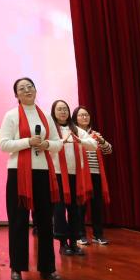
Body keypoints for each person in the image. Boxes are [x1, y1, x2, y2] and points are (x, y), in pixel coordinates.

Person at [0, 77, 63, 280]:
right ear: (16, 94)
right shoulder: (11, 115)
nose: (27, 90)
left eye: (30, 87)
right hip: (18, 172)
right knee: (18, 221)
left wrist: (46, 145)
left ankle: (48, 268)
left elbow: (58, 143)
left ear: (35, 90)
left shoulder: (46, 115)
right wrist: (28, 141)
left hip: (43, 172)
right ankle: (16, 268)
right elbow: (4, 144)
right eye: (22, 88)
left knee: (45, 221)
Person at [50, 99, 97, 257]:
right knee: (59, 210)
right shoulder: (51, 130)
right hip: (57, 175)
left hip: (75, 174)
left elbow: (93, 145)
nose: (63, 112)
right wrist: (60, 142)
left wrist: (80, 140)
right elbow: (46, 146)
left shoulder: (76, 129)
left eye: (65, 109)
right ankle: (63, 243)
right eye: (59, 109)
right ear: (53, 112)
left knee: (75, 210)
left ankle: (74, 242)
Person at [71, 105, 113, 246]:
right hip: (81, 175)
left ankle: (98, 234)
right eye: (81, 115)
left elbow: (108, 150)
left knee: (97, 205)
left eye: (86, 115)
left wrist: (101, 141)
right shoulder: (73, 134)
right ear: (75, 118)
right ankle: (80, 234)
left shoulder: (95, 134)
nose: (84, 117)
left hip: (96, 174)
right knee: (80, 206)